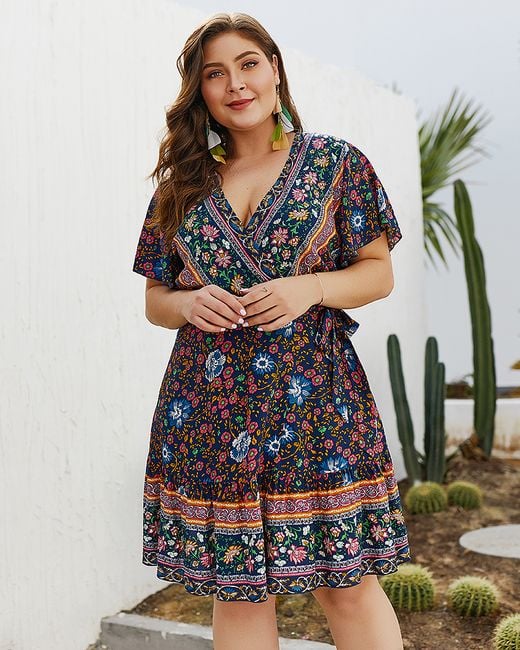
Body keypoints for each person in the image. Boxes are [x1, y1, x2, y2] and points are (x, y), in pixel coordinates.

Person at [132, 11, 412, 650]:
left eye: (249, 64)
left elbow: (378, 273)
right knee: (238, 593)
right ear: (200, 92)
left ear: (276, 70)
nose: (236, 84)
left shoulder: (336, 165)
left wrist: (310, 288)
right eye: (215, 74)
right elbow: (155, 300)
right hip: (211, 407)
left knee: (346, 585)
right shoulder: (181, 189)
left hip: (318, 406)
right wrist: (187, 304)